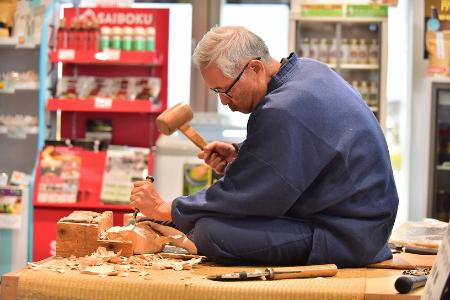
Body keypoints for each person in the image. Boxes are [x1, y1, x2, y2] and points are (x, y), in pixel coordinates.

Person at [130, 25, 399, 267]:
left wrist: (170, 209)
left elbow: (250, 196)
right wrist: (243, 154)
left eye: (226, 90)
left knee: (211, 232)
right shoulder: (308, 71)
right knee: (208, 221)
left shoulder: (283, 107)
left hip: (348, 234)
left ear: (256, 68)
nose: (224, 102)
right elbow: (298, 149)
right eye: (217, 93)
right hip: (361, 221)